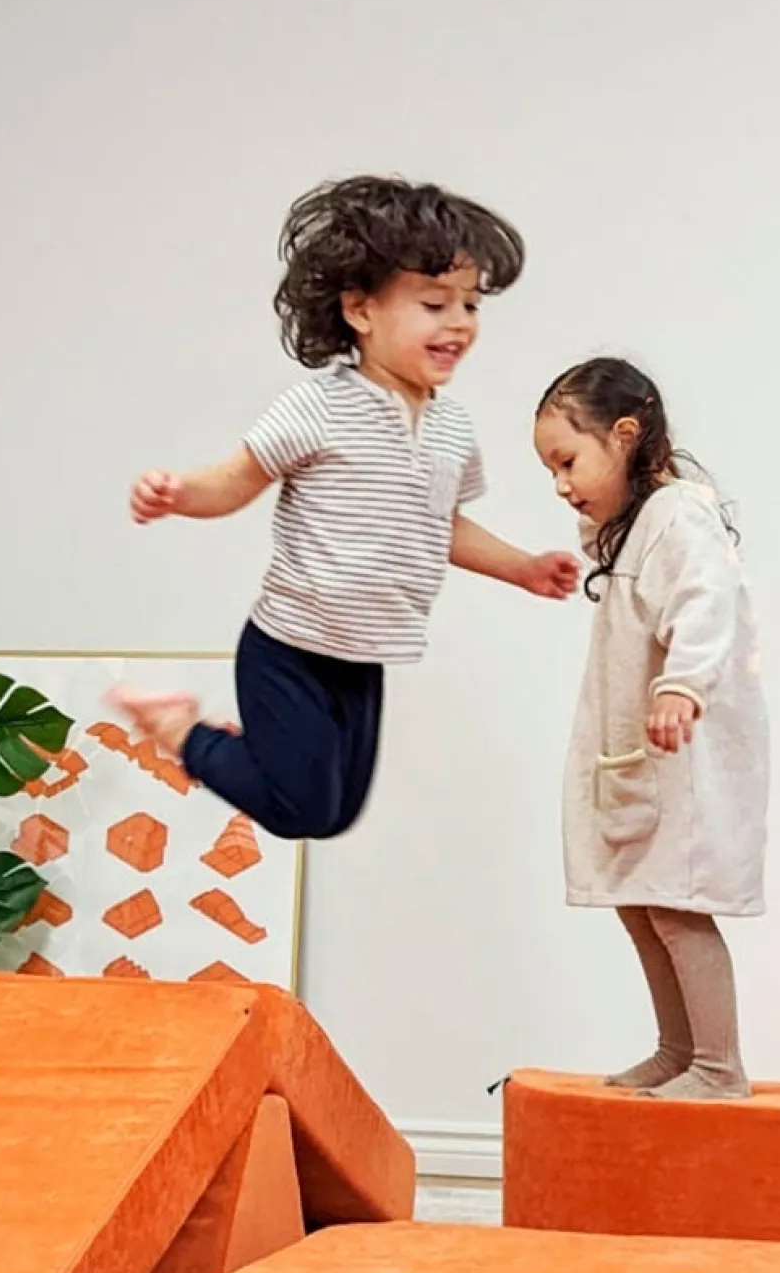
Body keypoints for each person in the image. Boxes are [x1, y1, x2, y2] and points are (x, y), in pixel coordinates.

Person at [110, 176, 581, 841]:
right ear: (360, 311)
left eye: (471, 305)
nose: (458, 323)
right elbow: (238, 481)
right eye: (434, 303)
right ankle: (180, 729)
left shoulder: (451, 428)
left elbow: (442, 526)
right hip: (290, 645)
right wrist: (179, 494)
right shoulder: (321, 405)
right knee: (300, 809)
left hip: (364, 654)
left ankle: (237, 746)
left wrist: (523, 568)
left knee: (335, 815)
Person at [534, 358, 769, 1099]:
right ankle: (678, 1049)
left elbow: (707, 602)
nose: (560, 484)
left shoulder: (677, 516)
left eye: (567, 461)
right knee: (639, 902)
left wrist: (682, 685)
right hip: (640, 756)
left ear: (625, 435)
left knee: (675, 905)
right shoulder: (635, 530)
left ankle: (719, 1066)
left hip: (679, 750)